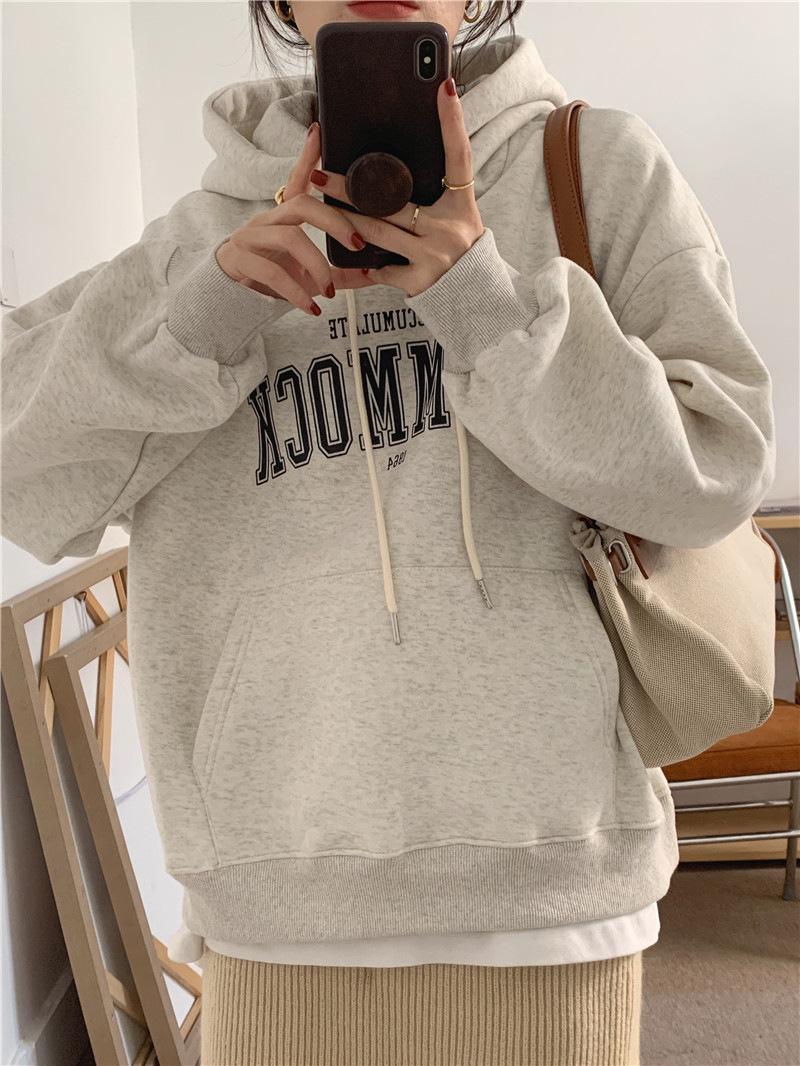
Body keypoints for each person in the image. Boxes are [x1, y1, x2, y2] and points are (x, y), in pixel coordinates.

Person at [1, 1, 776, 1063]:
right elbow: (23, 477)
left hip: (550, 895)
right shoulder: (206, 234)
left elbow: (714, 471)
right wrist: (201, 319)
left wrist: (484, 304)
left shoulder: (597, 170)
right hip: (279, 910)